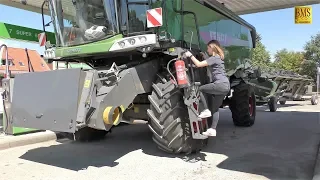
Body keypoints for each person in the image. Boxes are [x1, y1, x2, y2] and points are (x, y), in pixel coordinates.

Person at [184, 40, 230, 137]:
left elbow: (199, 64)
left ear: (212, 47)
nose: (207, 49)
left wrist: (190, 55)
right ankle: (212, 129)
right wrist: (204, 56)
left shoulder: (214, 58)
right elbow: (208, 62)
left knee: (200, 89)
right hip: (225, 86)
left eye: (208, 48)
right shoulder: (218, 58)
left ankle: (205, 110)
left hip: (219, 84)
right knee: (215, 108)